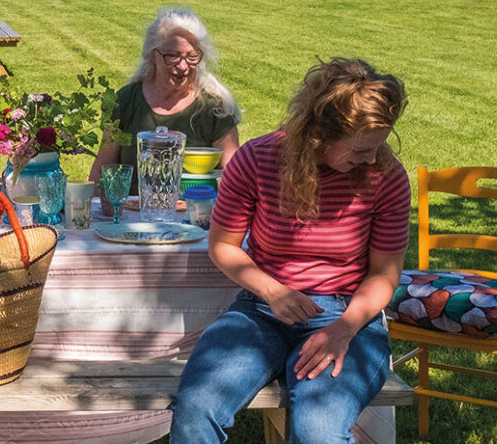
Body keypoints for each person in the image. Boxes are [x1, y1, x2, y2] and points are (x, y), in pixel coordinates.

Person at [169, 57, 410, 444]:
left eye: (378, 146)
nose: (372, 159)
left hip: (348, 314)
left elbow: (384, 274)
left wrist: (342, 329)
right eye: (361, 150)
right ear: (321, 134)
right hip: (262, 311)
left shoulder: (386, 176)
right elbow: (223, 246)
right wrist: (272, 291)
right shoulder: (257, 159)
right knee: (197, 409)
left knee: (318, 431)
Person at [90, 7, 241, 198]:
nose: (183, 66)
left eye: (191, 57)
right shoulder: (126, 100)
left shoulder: (215, 107)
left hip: (194, 218)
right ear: (152, 55)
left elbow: (237, 176)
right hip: (131, 215)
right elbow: (100, 171)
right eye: (173, 56)